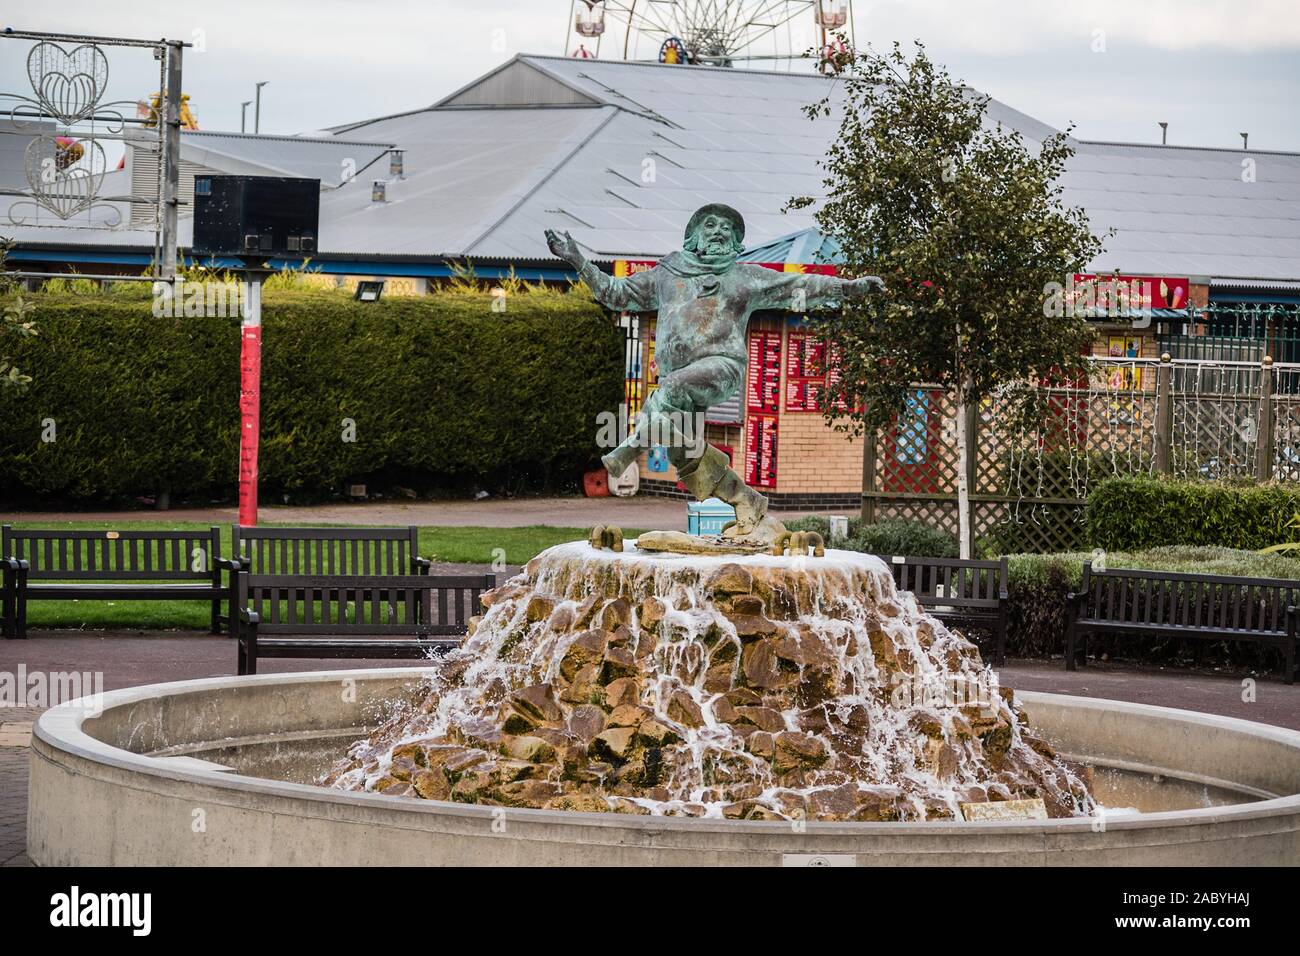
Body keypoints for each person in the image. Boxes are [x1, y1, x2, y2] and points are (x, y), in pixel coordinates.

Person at [545, 203, 883, 541]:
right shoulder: (667, 274)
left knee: (666, 394)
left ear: (736, 243)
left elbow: (799, 286)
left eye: (728, 227)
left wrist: (847, 288)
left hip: (721, 368)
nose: (719, 230)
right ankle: (746, 501)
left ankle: (629, 449)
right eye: (710, 224)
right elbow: (615, 294)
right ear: (693, 236)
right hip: (677, 381)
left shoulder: (745, 277)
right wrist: (577, 259)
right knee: (686, 457)